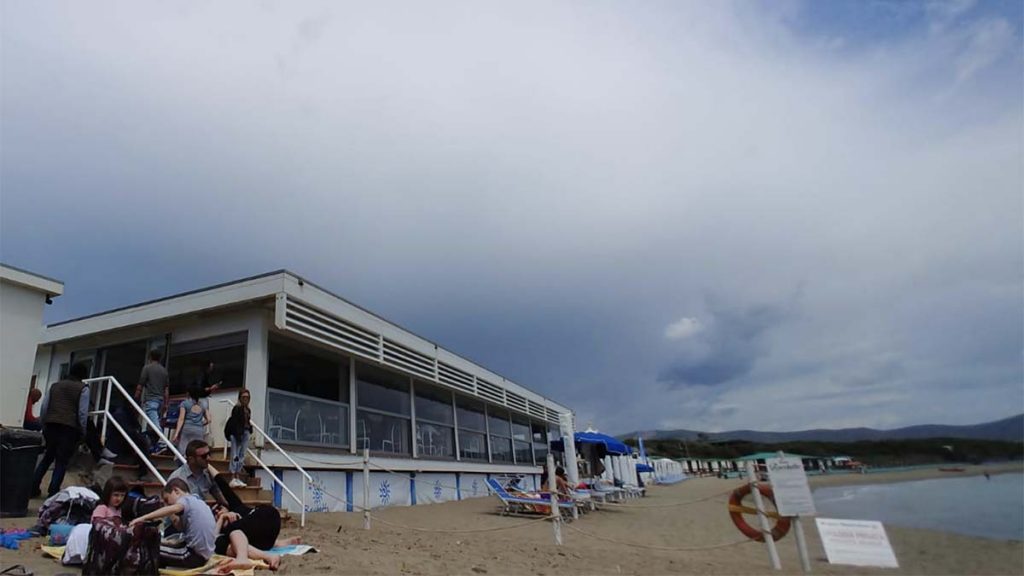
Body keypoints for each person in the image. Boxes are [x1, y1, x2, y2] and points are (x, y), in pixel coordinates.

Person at [32, 362, 91, 498]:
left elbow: (44, 407)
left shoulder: (55, 386)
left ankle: (33, 487)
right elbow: (82, 412)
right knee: (62, 461)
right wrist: (83, 431)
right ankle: (53, 491)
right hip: (68, 428)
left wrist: (43, 424)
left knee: (48, 457)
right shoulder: (83, 388)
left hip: (51, 425)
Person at [129, 478, 215, 568]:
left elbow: (174, 508)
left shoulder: (186, 500)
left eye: (167, 500)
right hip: (204, 554)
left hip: (193, 556)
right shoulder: (198, 501)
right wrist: (172, 514)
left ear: (176, 491)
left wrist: (142, 518)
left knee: (149, 549)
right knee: (160, 545)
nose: (168, 504)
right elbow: (180, 527)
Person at [168, 439, 229, 509]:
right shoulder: (177, 478)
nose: (209, 458)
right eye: (204, 456)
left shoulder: (208, 474)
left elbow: (221, 498)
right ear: (191, 459)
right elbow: (171, 509)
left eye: (209, 454)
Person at [135, 349, 169, 450]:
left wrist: (135, 399)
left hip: (151, 400)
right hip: (160, 401)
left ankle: (162, 442)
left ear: (149, 357)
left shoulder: (147, 368)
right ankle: (151, 446)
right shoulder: (164, 371)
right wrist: (166, 403)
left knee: (154, 424)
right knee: (154, 424)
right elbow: (166, 389)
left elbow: (140, 385)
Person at [224, 389, 253, 489]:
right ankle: (232, 476)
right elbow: (235, 423)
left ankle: (237, 475)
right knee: (235, 454)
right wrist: (237, 435)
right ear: (240, 398)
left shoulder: (248, 410)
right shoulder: (237, 408)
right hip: (237, 434)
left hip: (245, 432)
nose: (246, 399)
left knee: (242, 455)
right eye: (243, 397)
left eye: (247, 397)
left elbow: (247, 421)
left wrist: (249, 430)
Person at [172, 386, 210, 455]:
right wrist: (201, 424)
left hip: (187, 429)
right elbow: (209, 420)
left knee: (183, 450)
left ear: (188, 393)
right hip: (199, 430)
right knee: (197, 450)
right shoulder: (203, 404)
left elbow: (181, 419)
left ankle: (184, 464)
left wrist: (176, 433)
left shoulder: (184, 403)